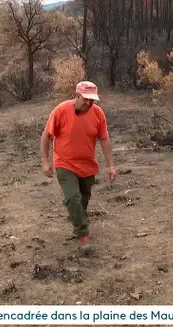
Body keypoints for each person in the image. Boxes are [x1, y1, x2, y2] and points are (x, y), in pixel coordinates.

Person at [40, 81, 116, 254]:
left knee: (82, 201)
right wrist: (45, 161)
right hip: (64, 163)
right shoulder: (61, 110)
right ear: (77, 95)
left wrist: (111, 165)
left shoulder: (98, 114)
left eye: (92, 100)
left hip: (88, 165)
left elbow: (104, 139)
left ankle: (78, 221)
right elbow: (46, 136)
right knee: (73, 198)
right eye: (86, 99)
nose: (89, 103)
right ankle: (84, 237)